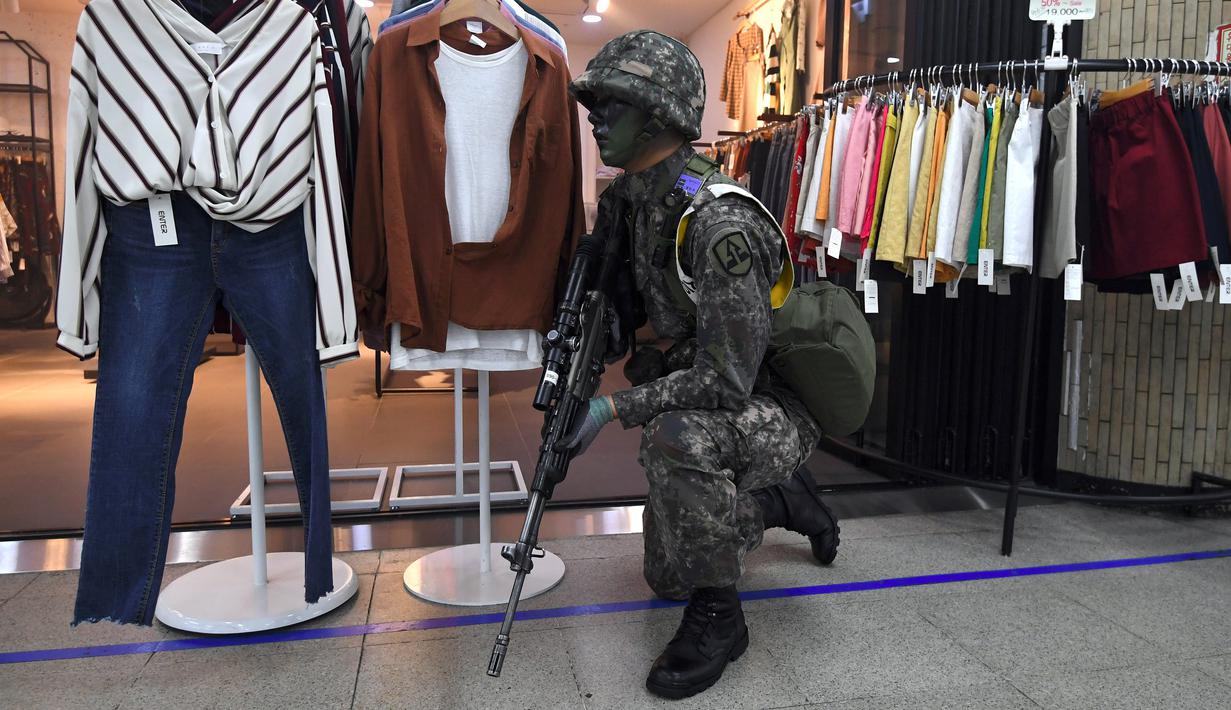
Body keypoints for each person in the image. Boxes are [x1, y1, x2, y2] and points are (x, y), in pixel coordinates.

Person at [563, 30, 841, 700]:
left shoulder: (720, 227)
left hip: (764, 404)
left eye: (611, 106)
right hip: (701, 394)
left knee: (675, 437)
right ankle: (778, 500)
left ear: (658, 118)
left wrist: (607, 408)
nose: (595, 118)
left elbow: (726, 380)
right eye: (592, 105)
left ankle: (719, 619)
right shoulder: (635, 198)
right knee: (665, 573)